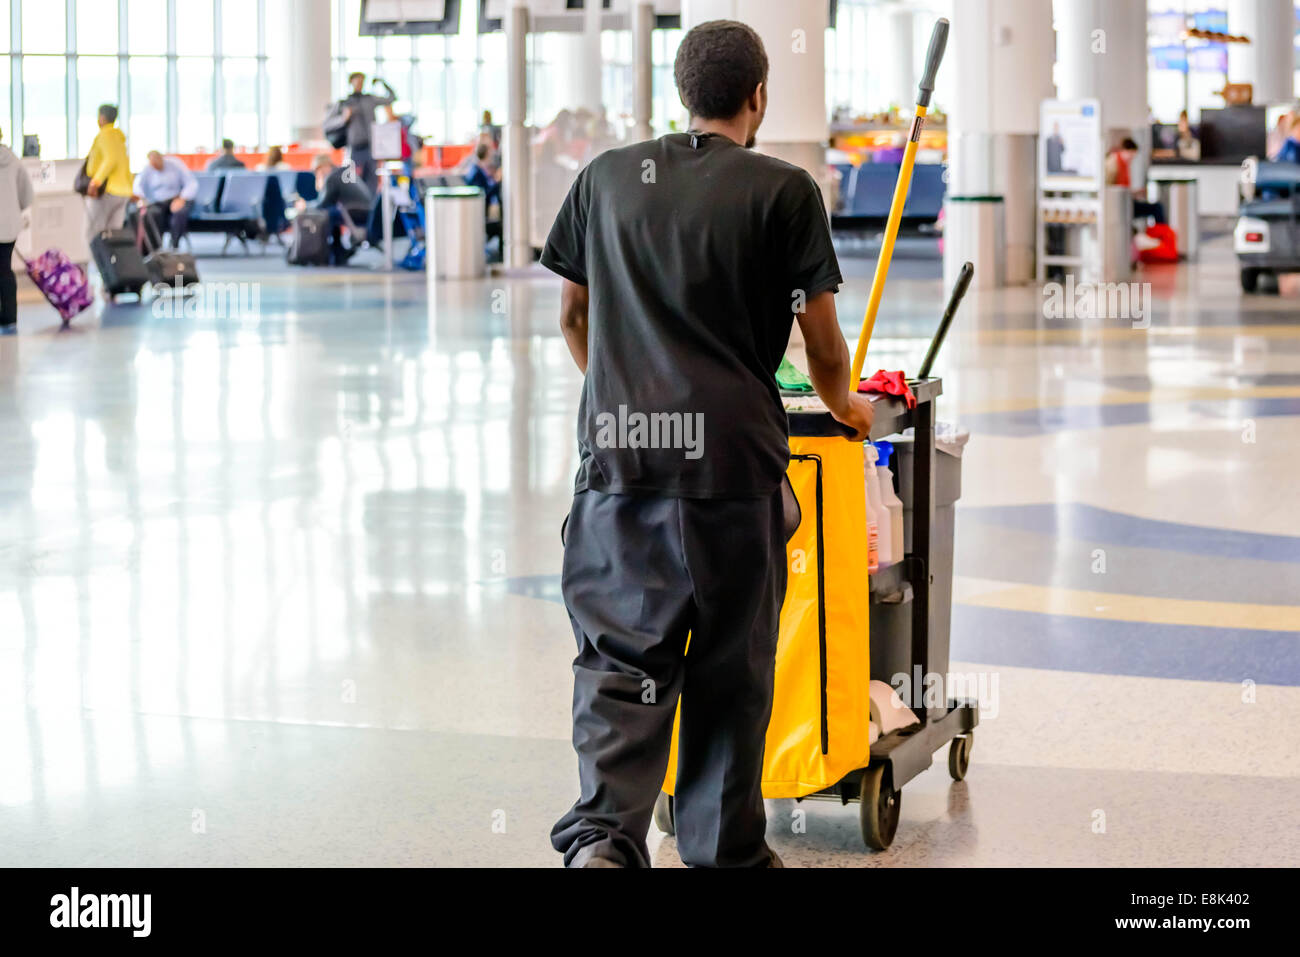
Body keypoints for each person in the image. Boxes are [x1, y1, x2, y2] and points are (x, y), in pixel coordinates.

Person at [543, 19, 874, 869]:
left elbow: (573, 316)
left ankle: (603, 846)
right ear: (757, 96)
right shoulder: (783, 190)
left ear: (682, 93)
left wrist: (620, 395)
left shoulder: (608, 178)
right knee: (732, 664)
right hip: (733, 470)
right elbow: (826, 343)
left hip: (619, 468)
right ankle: (722, 849)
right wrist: (846, 407)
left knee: (620, 663)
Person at [295, 154, 373, 266]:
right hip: (366, 212)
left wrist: (305, 206)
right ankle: (338, 251)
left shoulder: (333, 177)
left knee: (328, 214)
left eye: (319, 170)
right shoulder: (343, 174)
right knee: (332, 212)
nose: (318, 173)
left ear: (325, 165)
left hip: (357, 212)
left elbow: (322, 204)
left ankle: (332, 252)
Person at [0, 127, 34, 335]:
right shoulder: (12, 159)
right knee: (4, 269)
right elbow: (27, 195)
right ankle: (10, 316)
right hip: (9, 226)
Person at [84, 104, 133, 245]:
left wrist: (95, 182)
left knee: (93, 233)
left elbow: (110, 160)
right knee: (113, 234)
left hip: (107, 190)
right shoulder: (120, 137)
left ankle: (95, 266)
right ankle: (111, 266)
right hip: (123, 192)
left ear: (102, 118)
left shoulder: (104, 135)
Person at [339, 72, 396, 193]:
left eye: (362, 82)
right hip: (355, 148)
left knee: (372, 182)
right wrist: (344, 118)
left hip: (370, 147)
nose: (360, 84)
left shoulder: (370, 99)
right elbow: (333, 123)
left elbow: (391, 98)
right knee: (354, 182)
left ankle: (371, 208)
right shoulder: (345, 102)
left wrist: (382, 82)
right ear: (351, 83)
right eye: (357, 82)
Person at [134, 150, 198, 249]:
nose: (155, 166)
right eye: (152, 164)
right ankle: (155, 248)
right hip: (158, 202)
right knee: (152, 214)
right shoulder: (148, 169)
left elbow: (191, 183)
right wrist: (141, 198)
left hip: (177, 199)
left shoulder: (175, 164)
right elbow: (139, 186)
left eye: (156, 163)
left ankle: (174, 245)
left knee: (179, 214)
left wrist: (182, 199)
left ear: (161, 158)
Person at [1106, 136, 1166, 224]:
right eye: (1131, 155)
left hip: (1125, 202)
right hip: (1119, 205)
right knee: (1157, 208)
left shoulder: (1123, 164)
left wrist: (1136, 193)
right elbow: (1110, 189)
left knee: (1157, 207)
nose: (1131, 159)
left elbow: (1123, 189)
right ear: (1126, 151)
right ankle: (1160, 234)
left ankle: (1159, 233)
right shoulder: (1112, 163)